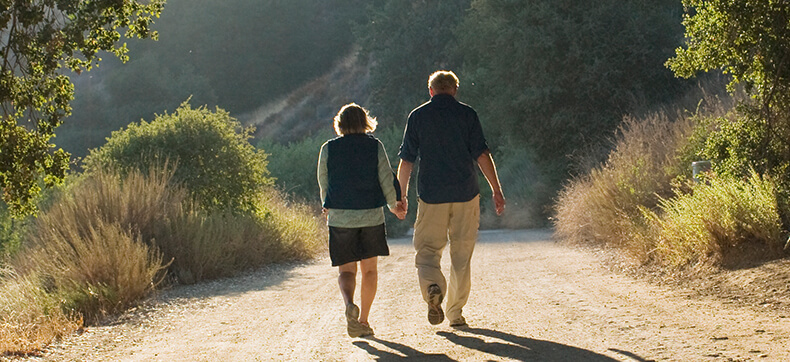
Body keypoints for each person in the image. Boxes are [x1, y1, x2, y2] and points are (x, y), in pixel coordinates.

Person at [397, 70, 505, 328]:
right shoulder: (468, 114)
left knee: (427, 252)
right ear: (455, 90)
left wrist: (400, 195)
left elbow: (407, 160)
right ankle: (455, 313)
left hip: (432, 196)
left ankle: (433, 287)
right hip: (466, 194)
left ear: (431, 90)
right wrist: (496, 190)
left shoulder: (418, 116)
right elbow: (481, 155)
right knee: (461, 254)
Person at [317, 103, 406, 338]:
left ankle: (349, 305)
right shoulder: (374, 146)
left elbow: (323, 181)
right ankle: (364, 321)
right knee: (369, 271)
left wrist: (326, 204)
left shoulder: (328, 148)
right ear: (365, 122)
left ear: (340, 124)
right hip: (370, 217)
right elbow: (386, 178)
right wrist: (394, 206)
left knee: (346, 271)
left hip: (340, 218)